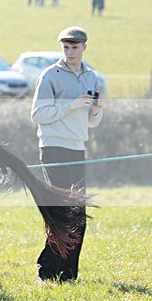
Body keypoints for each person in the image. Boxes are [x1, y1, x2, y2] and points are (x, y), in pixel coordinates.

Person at [31, 26, 105, 282]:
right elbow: (37, 115)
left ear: (84, 47)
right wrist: (71, 105)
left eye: (75, 47)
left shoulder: (92, 77)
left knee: (78, 213)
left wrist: (95, 110)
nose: (70, 51)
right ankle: (47, 270)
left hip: (78, 147)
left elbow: (93, 123)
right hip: (52, 147)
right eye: (66, 47)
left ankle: (69, 273)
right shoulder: (50, 76)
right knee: (61, 210)